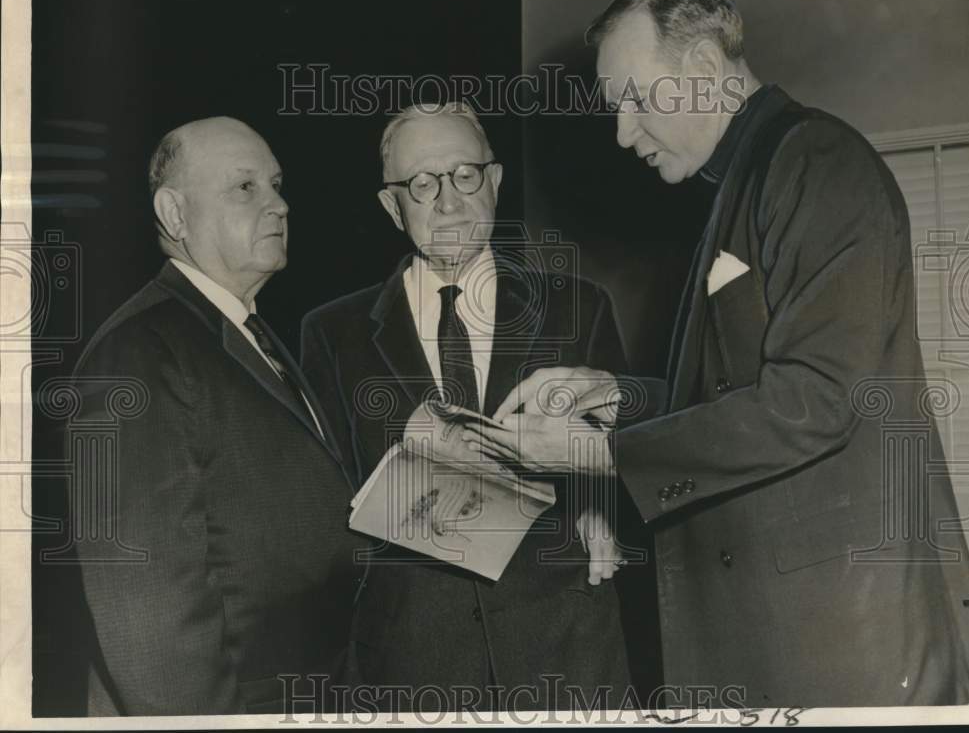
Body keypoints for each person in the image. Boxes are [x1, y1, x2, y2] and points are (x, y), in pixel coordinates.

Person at [463, 0, 969, 707]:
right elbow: (734, 396)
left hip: (838, 640)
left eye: (638, 101)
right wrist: (616, 395)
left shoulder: (814, 162)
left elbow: (812, 400)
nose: (622, 133)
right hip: (789, 634)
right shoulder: (742, 183)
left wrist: (595, 452)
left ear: (705, 69)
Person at [301, 102, 631, 711]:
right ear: (391, 206)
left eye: (465, 175)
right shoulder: (331, 334)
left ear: (496, 182)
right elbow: (323, 501)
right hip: (408, 663)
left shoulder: (578, 309)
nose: (448, 202)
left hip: (564, 656)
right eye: (422, 184)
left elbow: (631, 456)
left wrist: (602, 510)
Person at [69, 117, 362, 715]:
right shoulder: (139, 351)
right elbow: (146, 618)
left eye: (277, 184)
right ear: (175, 215)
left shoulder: (244, 332)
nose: (279, 203)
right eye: (245, 187)